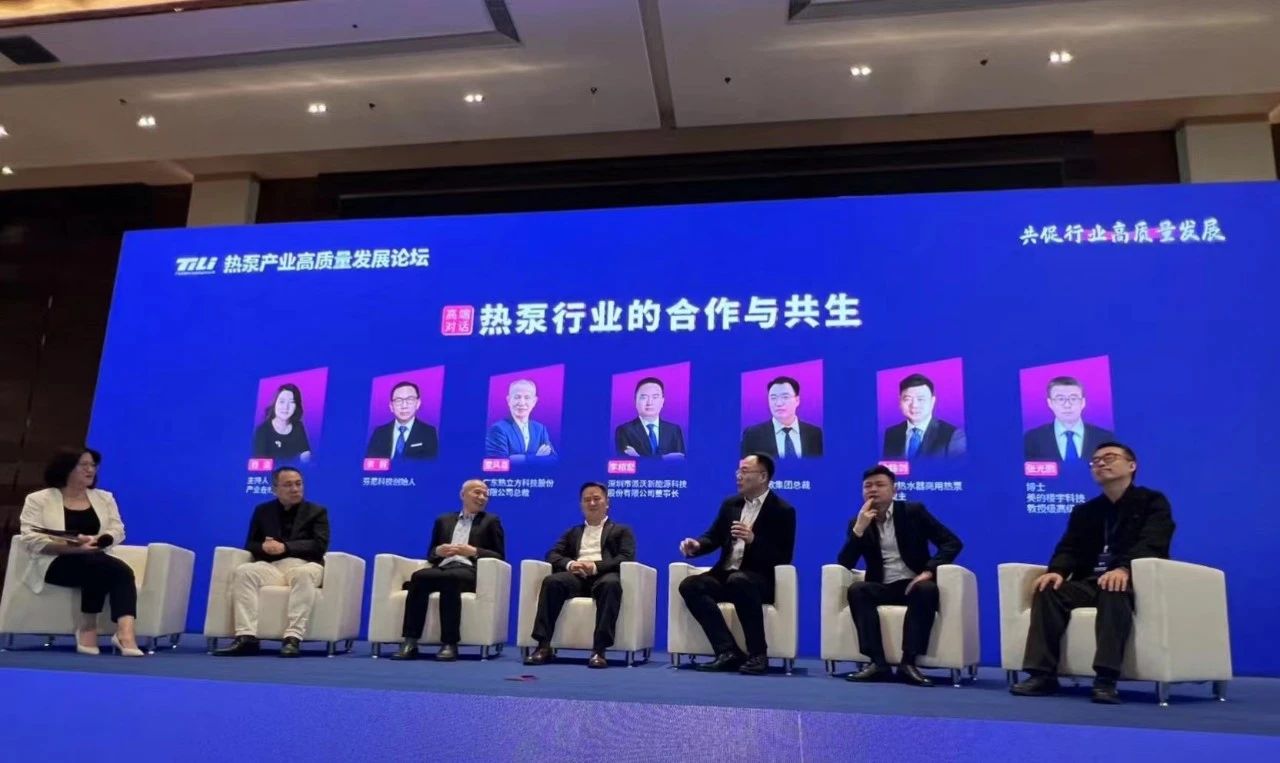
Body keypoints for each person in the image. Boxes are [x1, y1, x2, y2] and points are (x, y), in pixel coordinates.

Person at [1011, 442, 1175, 703]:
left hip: (1132, 582)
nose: (1100, 463)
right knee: (1049, 590)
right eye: (1095, 461)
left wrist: (1124, 568)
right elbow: (1069, 547)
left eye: (1109, 458)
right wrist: (1057, 571)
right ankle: (1042, 675)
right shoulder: (1086, 511)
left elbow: (1154, 541)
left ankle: (1106, 680)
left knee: (1113, 588)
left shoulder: (1152, 502)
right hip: (1090, 582)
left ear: (1131, 466)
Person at [837, 465, 963, 686]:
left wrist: (929, 571)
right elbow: (845, 563)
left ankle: (908, 663)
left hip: (913, 584)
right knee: (858, 590)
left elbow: (951, 542)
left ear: (894, 489)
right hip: (882, 586)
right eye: (868, 486)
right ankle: (878, 663)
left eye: (880, 485)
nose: (873, 490)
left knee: (926, 589)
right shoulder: (858, 522)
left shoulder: (913, 512)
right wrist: (859, 529)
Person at [677, 453, 796, 675]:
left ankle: (758, 655)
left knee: (739, 580)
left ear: (763, 476)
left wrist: (753, 540)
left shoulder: (782, 510)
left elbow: (783, 556)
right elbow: (713, 536)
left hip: (759, 580)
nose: (738, 476)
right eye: (738, 471)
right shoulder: (730, 504)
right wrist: (697, 545)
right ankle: (727, 651)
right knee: (690, 586)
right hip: (726, 575)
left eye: (744, 471)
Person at [18, 448, 143, 657]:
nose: (90, 470)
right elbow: (31, 537)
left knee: (107, 568)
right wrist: (72, 548)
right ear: (66, 468)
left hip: (95, 559)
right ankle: (99, 630)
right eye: (83, 465)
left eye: (93, 465)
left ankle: (122, 633)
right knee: (112, 569)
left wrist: (99, 541)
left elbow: (118, 529)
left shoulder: (104, 498)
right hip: (55, 562)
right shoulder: (39, 499)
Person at [214, 466, 330, 657]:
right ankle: (246, 637)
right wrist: (264, 547)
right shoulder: (263, 511)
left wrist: (286, 547)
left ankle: (293, 638)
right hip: (273, 567)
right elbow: (251, 543)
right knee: (244, 571)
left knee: (302, 574)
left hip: (305, 565)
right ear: (275, 489)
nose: (295, 489)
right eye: (288, 485)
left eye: (298, 484)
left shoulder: (317, 512)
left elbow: (319, 545)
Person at [525, 482, 637, 668]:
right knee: (552, 582)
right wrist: (570, 564)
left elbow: (626, 557)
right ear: (581, 505)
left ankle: (599, 650)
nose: (592, 503)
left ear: (607, 503)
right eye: (587, 500)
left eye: (596, 499)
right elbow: (552, 554)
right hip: (576, 577)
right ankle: (543, 646)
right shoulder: (573, 532)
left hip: (603, 575)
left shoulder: (621, 530)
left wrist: (595, 566)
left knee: (611, 584)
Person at [392, 479, 506, 661]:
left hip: (469, 570)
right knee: (419, 577)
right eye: (477, 492)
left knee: (450, 579)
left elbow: (499, 555)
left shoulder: (491, 521)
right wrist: (438, 551)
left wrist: (473, 551)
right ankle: (410, 641)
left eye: (486, 495)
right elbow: (431, 553)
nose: (482, 497)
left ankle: (449, 643)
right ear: (463, 495)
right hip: (444, 566)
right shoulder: (443, 520)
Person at [1023, 376, 1115, 463]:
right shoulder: (1032, 439)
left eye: (1073, 399)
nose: (1067, 405)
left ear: (1083, 402)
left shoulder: (1105, 438)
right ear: (1050, 403)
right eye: (1060, 399)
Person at [881, 373, 967, 460]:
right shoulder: (891, 433)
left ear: (932, 401)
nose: (914, 405)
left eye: (920, 399)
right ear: (900, 401)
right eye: (907, 399)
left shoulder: (953, 435)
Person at [740, 376, 824, 458]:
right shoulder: (752, 435)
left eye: (785, 397)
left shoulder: (816, 434)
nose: (779, 403)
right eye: (773, 398)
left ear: (797, 400)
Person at [365, 381, 439, 460]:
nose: (404, 406)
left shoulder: (429, 432)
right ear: (391, 406)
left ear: (418, 403)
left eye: (410, 399)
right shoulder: (379, 433)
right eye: (398, 400)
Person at [614, 377, 686, 459]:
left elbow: (680, 460)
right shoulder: (624, 430)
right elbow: (627, 461)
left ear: (662, 401)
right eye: (644, 397)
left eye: (655, 397)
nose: (649, 403)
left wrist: (640, 457)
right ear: (635, 401)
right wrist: (663, 459)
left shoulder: (674, 430)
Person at [485, 379, 556, 462]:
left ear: (534, 401)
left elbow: (553, 459)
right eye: (517, 397)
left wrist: (516, 458)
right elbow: (499, 462)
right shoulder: (498, 429)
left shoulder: (540, 429)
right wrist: (536, 457)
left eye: (527, 397)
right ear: (509, 400)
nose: (522, 403)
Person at [252, 383, 313, 463]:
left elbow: (305, 452)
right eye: (282, 402)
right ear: (274, 403)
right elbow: (259, 463)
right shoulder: (262, 431)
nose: (286, 407)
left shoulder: (298, 426)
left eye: (291, 402)